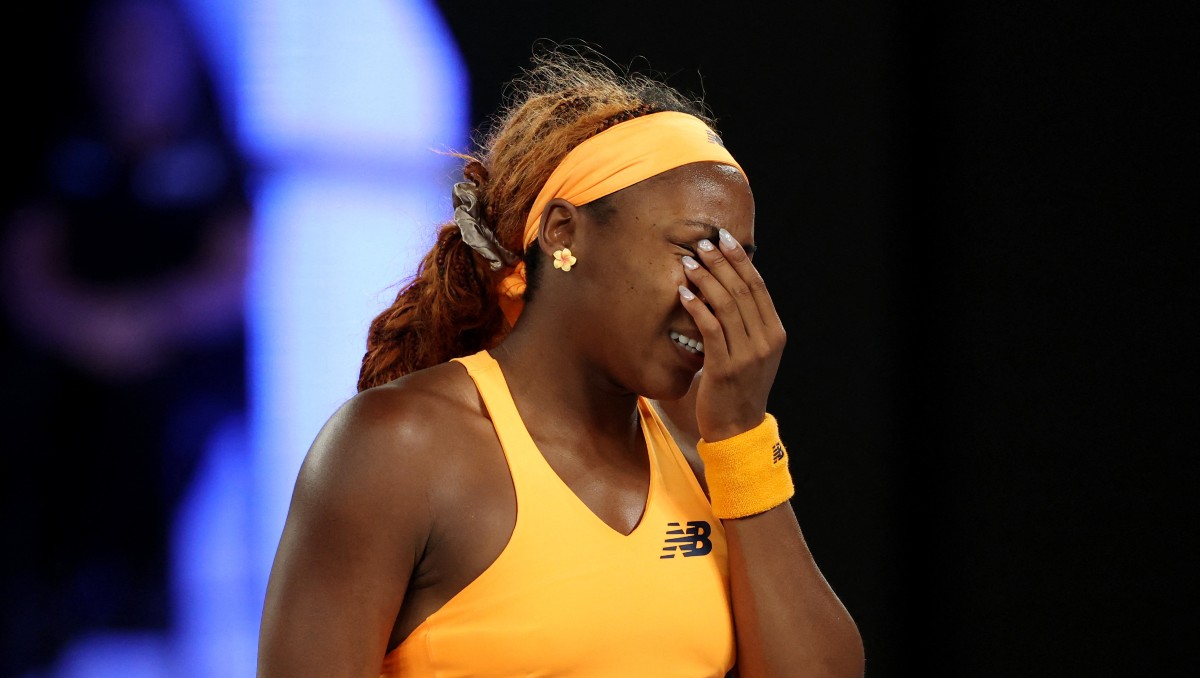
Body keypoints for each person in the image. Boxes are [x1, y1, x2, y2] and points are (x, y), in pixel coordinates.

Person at [257, 45, 863, 677]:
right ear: (563, 234)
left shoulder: (709, 445)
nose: (719, 291)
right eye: (693, 250)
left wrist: (741, 439)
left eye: (740, 261)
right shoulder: (399, 445)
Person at [0, 0, 251, 671]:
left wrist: (150, 319)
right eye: (119, 49)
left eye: (147, 50)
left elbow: (233, 274)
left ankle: (158, 599)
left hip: (180, 382)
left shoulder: (212, 149)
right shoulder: (67, 148)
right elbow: (27, 270)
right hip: (75, 371)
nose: (132, 68)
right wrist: (88, 327)